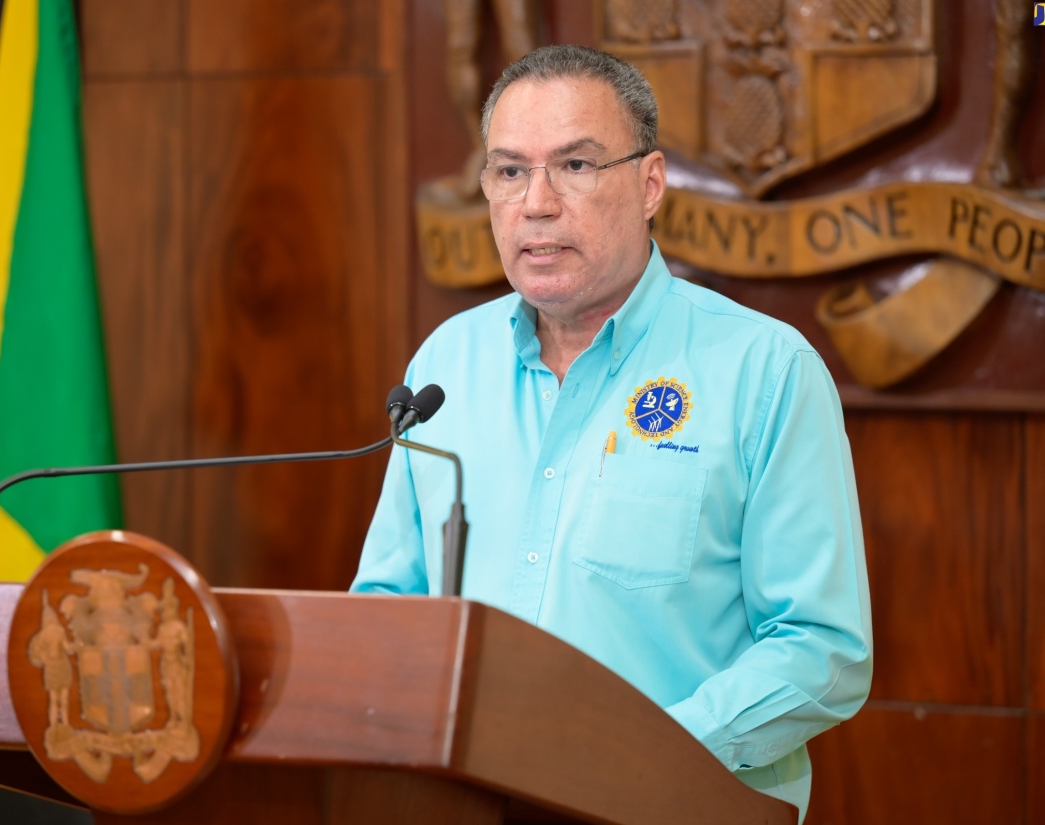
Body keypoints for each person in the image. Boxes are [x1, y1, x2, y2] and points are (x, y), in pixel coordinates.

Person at [351, 44, 872, 822]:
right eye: (508, 171)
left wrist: (632, 750)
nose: (537, 202)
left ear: (651, 182)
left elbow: (822, 650)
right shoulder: (446, 365)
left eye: (577, 165)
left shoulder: (764, 370)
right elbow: (387, 602)